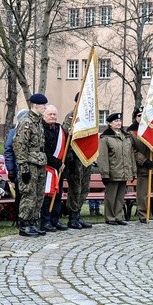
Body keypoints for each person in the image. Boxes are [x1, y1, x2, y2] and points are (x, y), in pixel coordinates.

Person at [14, 93, 49, 237]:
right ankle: (24, 223)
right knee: (28, 193)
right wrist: (24, 167)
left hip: (40, 161)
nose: (45, 108)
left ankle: (33, 222)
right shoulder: (26, 122)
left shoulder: (39, 122)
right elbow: (19, 146)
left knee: (38, 194)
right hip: (29, 162)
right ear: (36, 105)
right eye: (43, 106)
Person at [98, 112, 134, 226]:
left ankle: (118, 216)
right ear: (110, 124)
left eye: (119, 121)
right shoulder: (106, 137)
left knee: (120, 197)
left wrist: (133, 171)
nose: (118, 123)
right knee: (111, 196)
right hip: (113, 171)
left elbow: (130, 155)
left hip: (124, 171)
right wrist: (105, 173)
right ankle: (110, 217)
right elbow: (103, 157)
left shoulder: (126, 136)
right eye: (115, 121)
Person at [62, 94, 92, 229]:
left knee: (84, 188)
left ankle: (78, 214)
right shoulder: (71, 117)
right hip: (74, 158)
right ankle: (72, 217)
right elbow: (66, 135)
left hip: (86, 157)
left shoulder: (90, 118)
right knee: (75, 188)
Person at [39, 105, 68, 232]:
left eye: (54, 114)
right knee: (47, 197)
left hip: (58, 169)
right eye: (50, 114)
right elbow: (44, 150)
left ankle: (55, 220)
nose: (52, 117)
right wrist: (56, 163)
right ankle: (45, 221)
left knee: (58, 195)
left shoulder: (60, 129)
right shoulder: (41, 129)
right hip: (47, 168)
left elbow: (66, 147)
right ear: (44, 115)